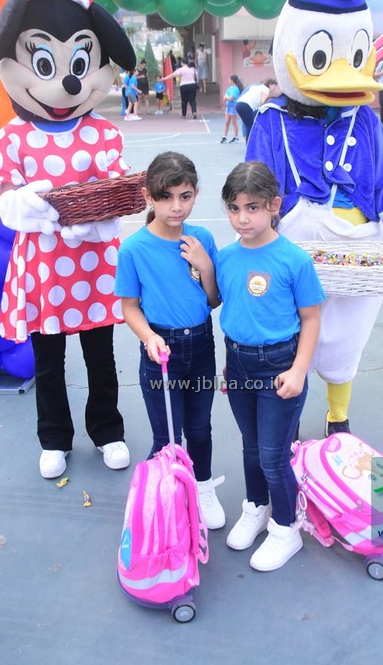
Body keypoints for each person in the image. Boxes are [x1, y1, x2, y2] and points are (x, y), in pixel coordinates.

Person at [246, 0, 383, 439]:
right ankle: (288, 414)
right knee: (291, 334)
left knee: (347, 337)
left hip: (360, 249)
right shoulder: (270, 120)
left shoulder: (364, 119)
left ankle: (338, 414)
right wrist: (260, 238)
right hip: (293, 245)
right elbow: (254, 188)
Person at [0, 0, 134, 479]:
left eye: (79, 63)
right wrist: (27, 206)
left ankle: (108, 430)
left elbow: (115, 190)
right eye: (45, 63)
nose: (66, 82)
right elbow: (5, 198)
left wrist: (95, 220)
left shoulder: (103, 135)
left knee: (100, 355)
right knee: (48, 359)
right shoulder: (10, 137)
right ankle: (54, 437)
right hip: (44, 267)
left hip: (93, 264)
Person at [216, 161, 324, 571]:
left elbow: (311, 319)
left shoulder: (294, 260)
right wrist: (230, 365)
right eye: (234, 208)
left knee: (273, 458)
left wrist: (298, 371)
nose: (242, 218)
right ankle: (256, 507)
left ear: (274, 205)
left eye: (253, 207)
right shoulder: (226, 258)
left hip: (279, 367)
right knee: (250, 447)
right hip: (238, 364)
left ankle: (286, 528)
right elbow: (236, 313)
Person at [114, 151, 225, 530]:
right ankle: (157, 498)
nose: (176, 207)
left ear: (196, 194)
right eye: (166, 197)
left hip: (202, 346)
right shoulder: (134, 248)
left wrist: (205, 266)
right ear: (148, 196)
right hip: (161, 352)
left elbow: (214, 300)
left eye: (185, 196)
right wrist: (148, 337)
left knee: (200, 429)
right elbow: (129, 306)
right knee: (167, 436)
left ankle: (202, 487)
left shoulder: (202, 239)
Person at [235, 78, 279, 143]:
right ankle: (250, 144)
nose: (274, 88)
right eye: (274, 86)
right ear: (270, 84)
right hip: (246, 105)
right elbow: (263, 102)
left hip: (239, 104)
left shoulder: (256, 87)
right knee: (251, 126)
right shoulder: (265, 89)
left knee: (248, 125)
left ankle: (249, 143)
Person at [220, 74, 244, 144]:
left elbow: (231, 98)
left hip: (233, 106)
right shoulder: (229, 88)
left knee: (234, 122)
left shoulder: (236, 89)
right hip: (228, 106)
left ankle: (236, 137)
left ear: (232, 80)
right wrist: (227, 98)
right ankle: (224, 136)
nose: (228, 80)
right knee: (227, 121)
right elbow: (225, 97)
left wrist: (227, 97)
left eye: (229, 79)